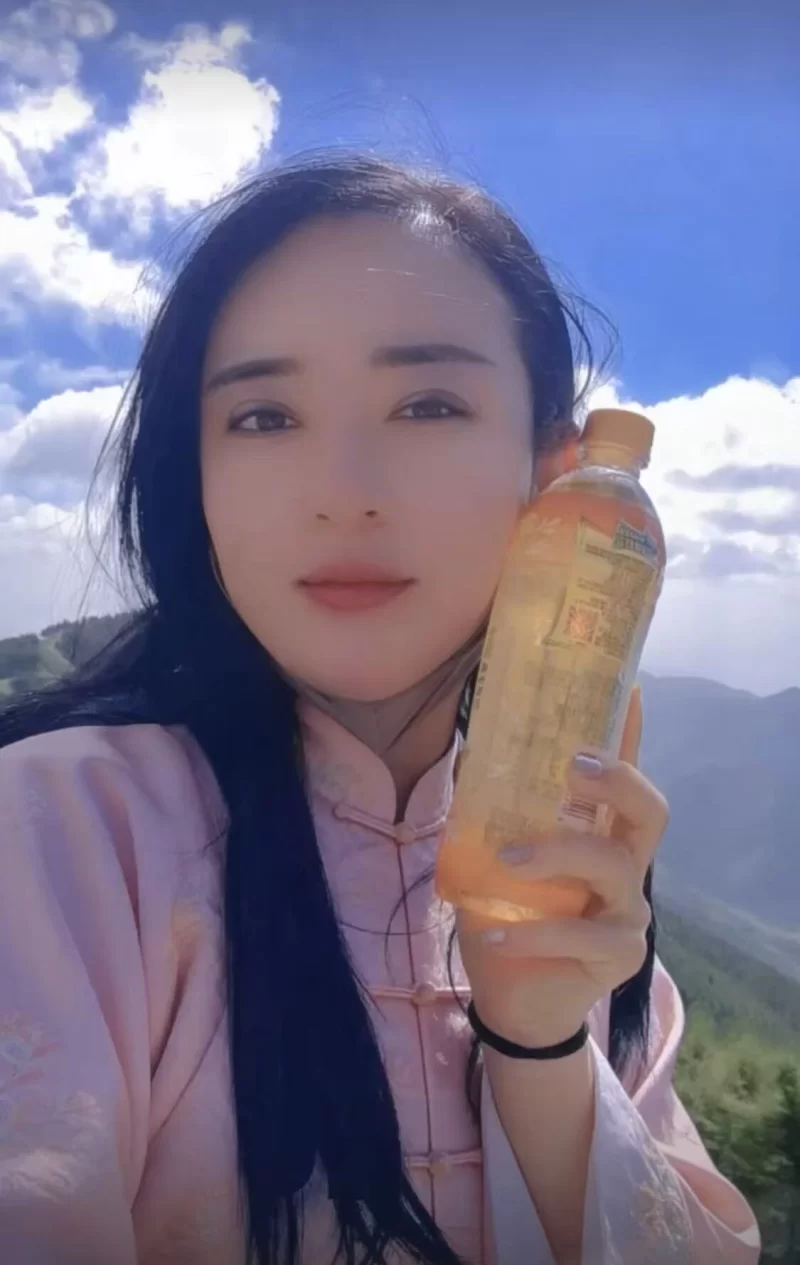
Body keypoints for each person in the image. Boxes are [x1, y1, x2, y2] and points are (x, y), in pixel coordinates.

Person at [0, 153, 760, 1265]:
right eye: (264, 416)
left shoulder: (588, 913)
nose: (343, 492)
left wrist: (541, 1043)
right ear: (193, 472)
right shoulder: (61, 833)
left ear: (556, 473)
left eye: (428, 404)